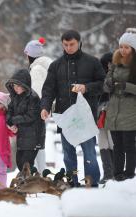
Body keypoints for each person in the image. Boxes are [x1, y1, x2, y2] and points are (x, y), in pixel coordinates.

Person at [40, 30, 105, 187]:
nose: (69, 47)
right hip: (65, 117)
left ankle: (92, 183)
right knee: (69, 155)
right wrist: (45, 107)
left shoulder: (93, 62)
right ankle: (73, 182)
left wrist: (86, 87)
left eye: (72, 44)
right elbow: (48, 90)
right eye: (65, 45)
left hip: (86, 117)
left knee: (89, 153)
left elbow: (103, 84)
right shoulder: (56, 66)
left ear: (79, 43)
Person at [104, 28, 136, 181]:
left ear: (133, 49)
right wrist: (109, 84)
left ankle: (130, 174)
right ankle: (117, 174)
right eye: (121, 46)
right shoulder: (115, 62)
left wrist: (125, 86)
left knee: (129, 146)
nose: (123, 50)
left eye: (127, 47)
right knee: (117, 147)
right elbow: (106, 83)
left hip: (130, 112)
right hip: (114, 112)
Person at [6, 69, 45, 171]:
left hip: (33, 136)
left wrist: (13, 120)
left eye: (18, 85)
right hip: (22, 137)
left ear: (25, 85)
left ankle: (30, 184)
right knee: (20, 162)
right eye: (14, 86)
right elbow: (10, 110)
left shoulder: (33, 98)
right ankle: (27, 183)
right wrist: (10, 122)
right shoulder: (15, 97)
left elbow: (30, 116)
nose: (16, 88)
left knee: (26, 164)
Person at [24, 37, 53, 172]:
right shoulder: (46, 66)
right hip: (45, 109)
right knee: (39, 143)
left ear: (29, 55)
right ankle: (41, 172)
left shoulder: (36, 70)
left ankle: (39, 173)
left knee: (35, 144)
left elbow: (36, 92)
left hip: (37, 111)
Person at [98, 52, 115, 184]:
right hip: (100, 112)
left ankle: (114, 172)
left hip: (113, 111)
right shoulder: (98, 74)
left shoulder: (118, 73)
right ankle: (108, 173)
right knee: (103, 142)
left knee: (111, 141)